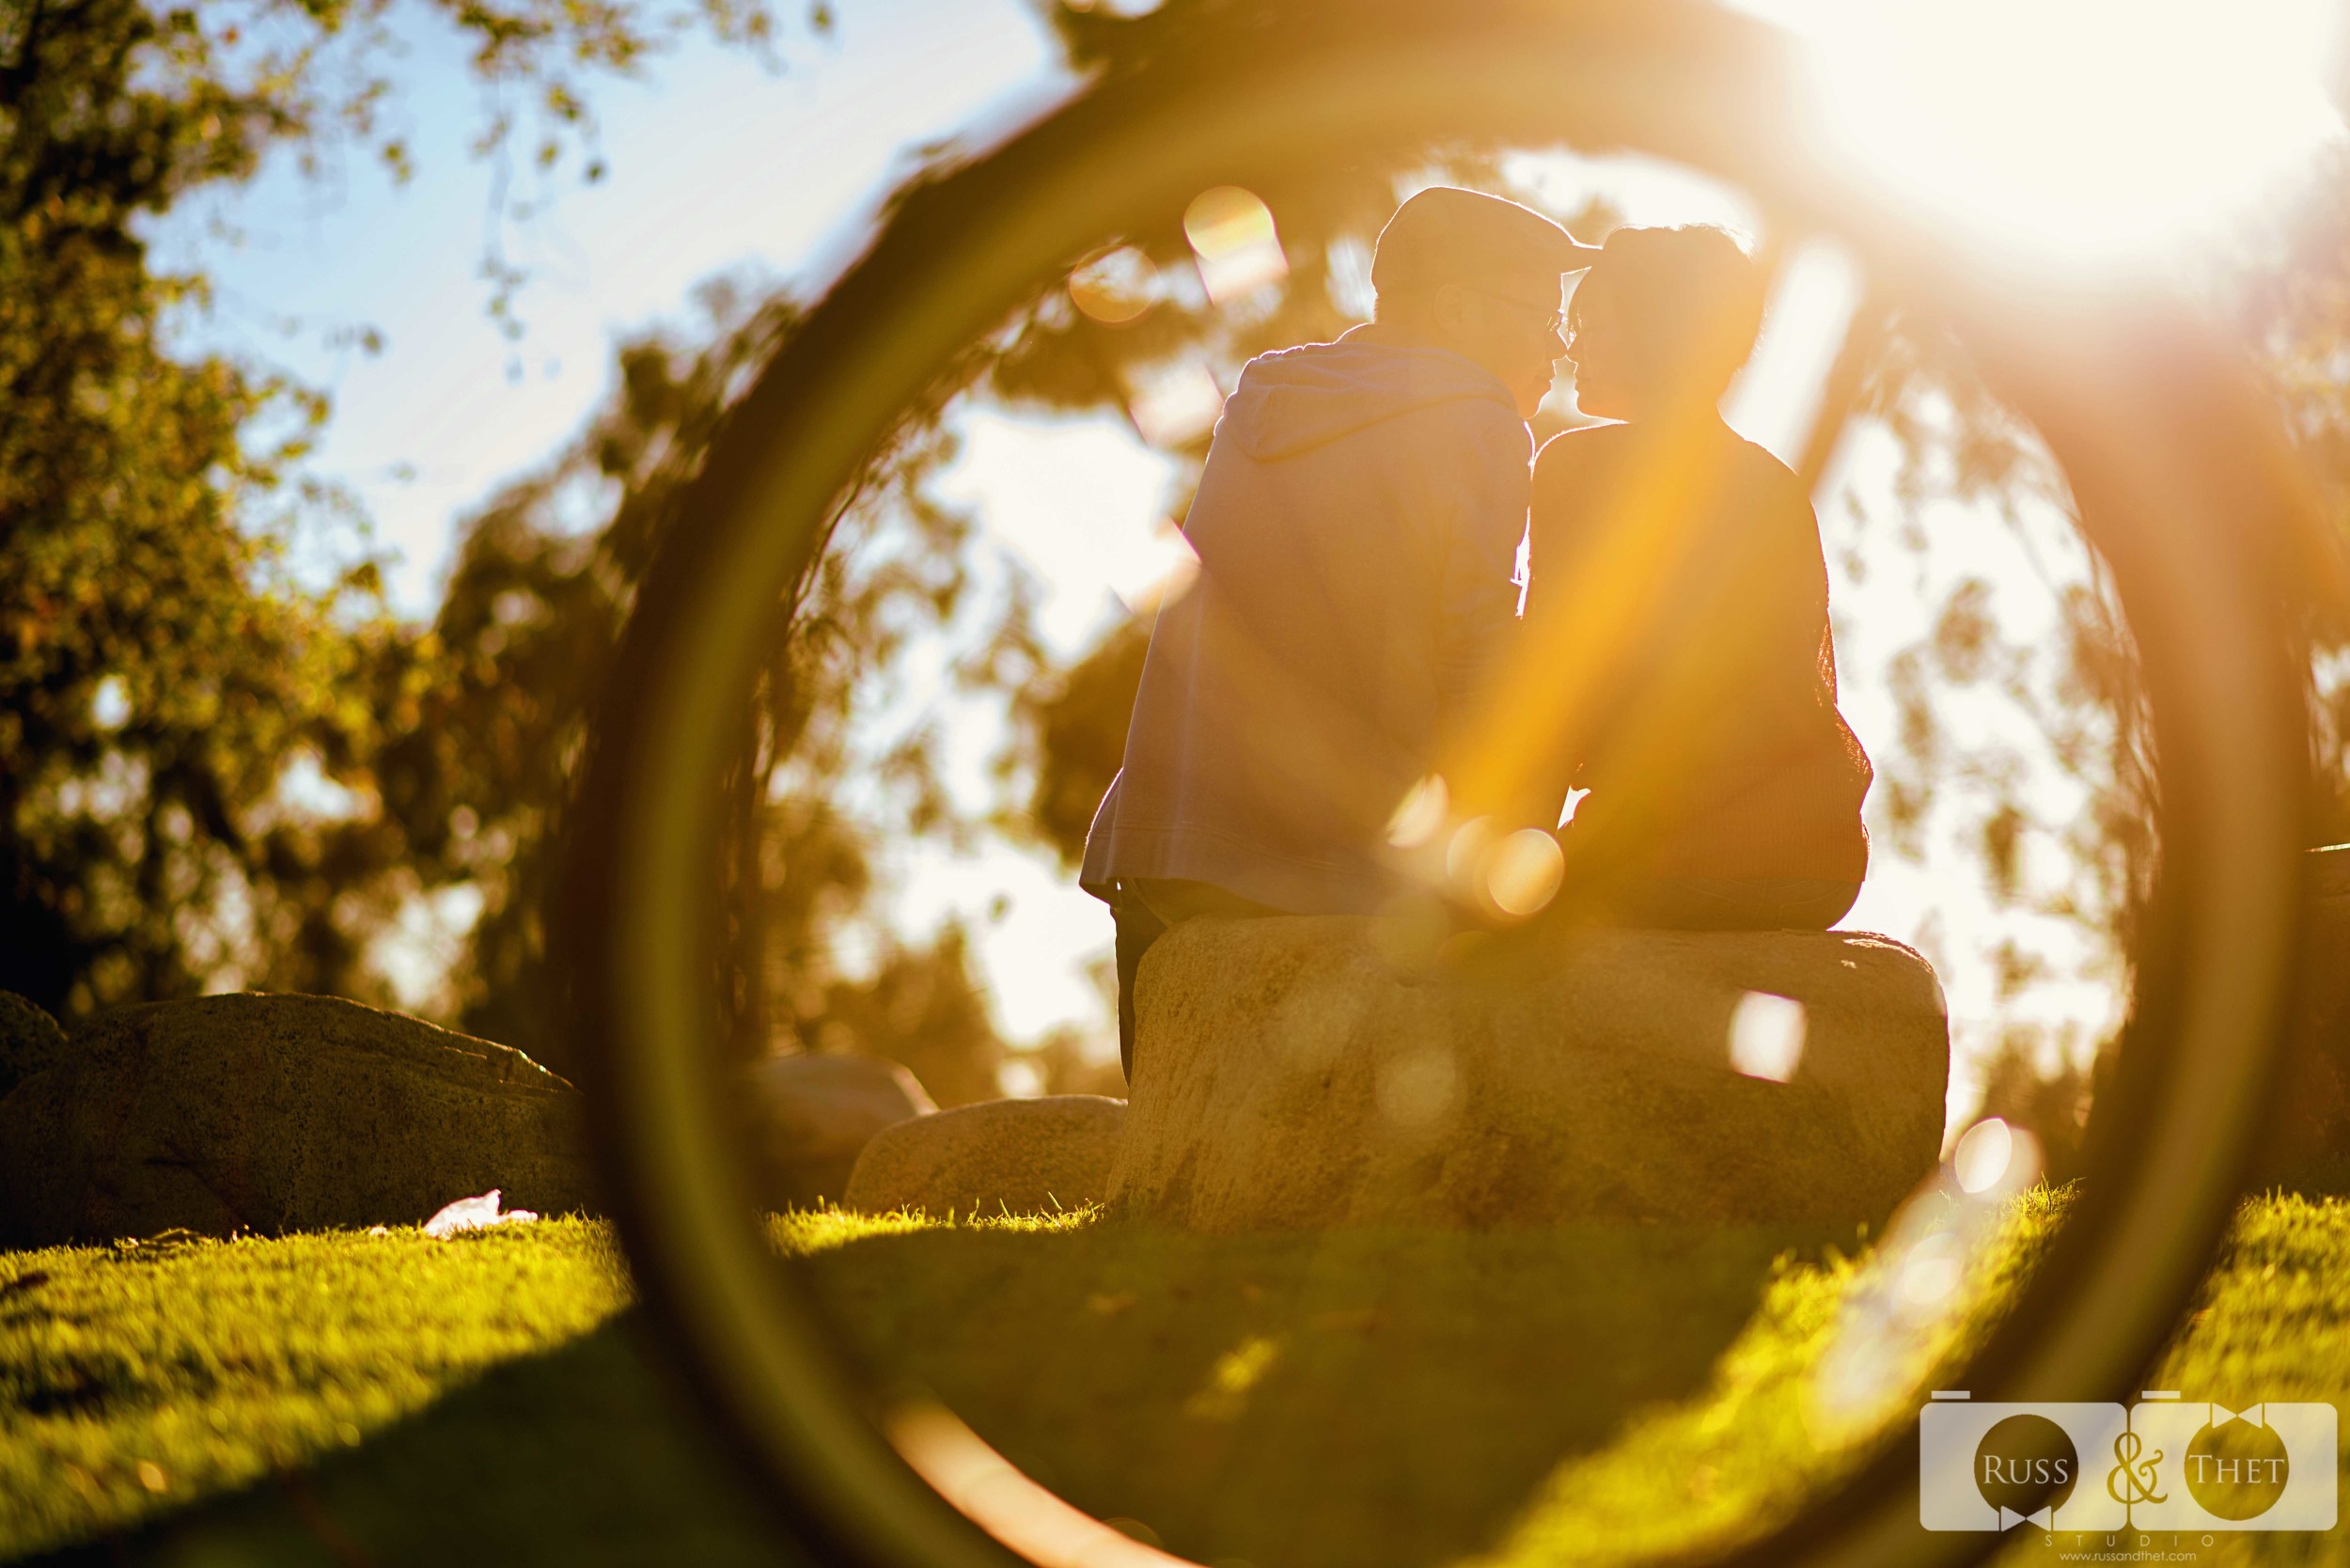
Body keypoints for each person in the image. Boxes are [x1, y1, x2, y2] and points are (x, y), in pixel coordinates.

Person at [1082, 186, 1599, 1079]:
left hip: (1159, 859)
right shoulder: (1475, 413)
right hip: (1319, 872)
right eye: (1541, 315)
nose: (1557, 346)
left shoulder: (1266, 397)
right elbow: (1473, 654)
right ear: (1457, 310)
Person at [1518, 225, 1872, 930]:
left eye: (1592, 322)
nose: (1573, 344)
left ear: (1656, 334)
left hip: (1670, 854)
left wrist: (1512, 852)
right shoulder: (1771, 482)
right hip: (1818, 863)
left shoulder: (1576, 468)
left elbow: (1552, 692)